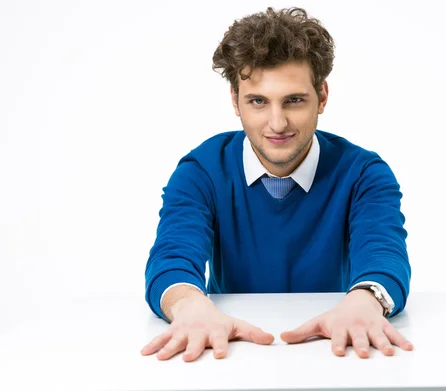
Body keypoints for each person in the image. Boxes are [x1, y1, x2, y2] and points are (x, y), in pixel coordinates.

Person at [141, 6, 413, 362]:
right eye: (257, 101)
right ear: (235, 102)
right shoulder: (201, 171)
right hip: (231, 355)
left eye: (294, 100)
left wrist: (365, 303)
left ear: (323, 97)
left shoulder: (364, 173)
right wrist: (190, 307)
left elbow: (383, 251)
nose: (277, 123)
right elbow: (173, 253)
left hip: (335, 355)